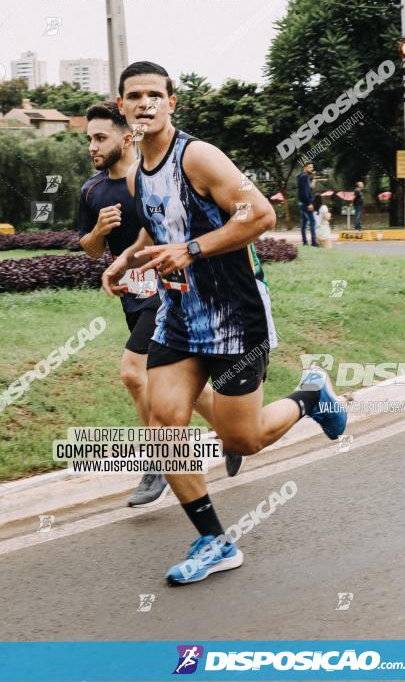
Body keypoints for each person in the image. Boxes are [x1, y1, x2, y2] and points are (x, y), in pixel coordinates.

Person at [102, 61, 347, 585]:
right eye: (134, 96)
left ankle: (309, 397)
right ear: (122, 108)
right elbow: (158, 223)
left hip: (235, 314)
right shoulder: (136, 171)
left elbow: (259, 215)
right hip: (180, 316)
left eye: (155, 95)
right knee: (164, 421)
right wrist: (129, 258)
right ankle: (214, 540)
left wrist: (191, 250)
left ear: (172, 103)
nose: (145, 103)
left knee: (242, 441)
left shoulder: (199, 156)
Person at [79, 102, 243, 508]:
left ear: (127, 137)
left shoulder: (153, 179)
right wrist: (99, 232)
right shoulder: (92, 191)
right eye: (89, 139)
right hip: (133, 298)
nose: (93, 147)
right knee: (168, 384)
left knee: (133, 373)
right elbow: (87, 248)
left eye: (101, 138)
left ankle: (157, 462)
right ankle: (229, 430)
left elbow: (171, 230)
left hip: (170, 290)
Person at [297, 162, 318, 247]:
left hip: (302, 202)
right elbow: (305, 192)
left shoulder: (301, 176)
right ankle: (313, 242)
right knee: (312, 222)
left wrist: (312, 183)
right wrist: (309, 203)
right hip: (306, 203)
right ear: (305, 168)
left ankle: (305, 242)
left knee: (304, 224)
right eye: (310, 167)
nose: (311, 169)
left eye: (312, 167)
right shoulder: (304, 176)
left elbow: (307, 189)